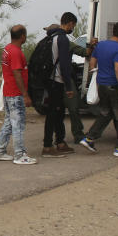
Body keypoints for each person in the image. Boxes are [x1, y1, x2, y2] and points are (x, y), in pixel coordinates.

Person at [80, 22, 118, 158]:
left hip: (101, 85)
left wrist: (96, 74)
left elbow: (92, 62)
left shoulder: (101, 45)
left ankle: (89, 139)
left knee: (106, 113)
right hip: (113, 86)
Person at [43, 12, 93, 157]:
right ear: (70, 23)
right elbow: (67, 64)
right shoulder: (63, 40)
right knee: (68, 109)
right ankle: (54, 143)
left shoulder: (49, 40)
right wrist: (69, 88)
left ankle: (59, 142)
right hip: (61, 81)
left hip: (51, 81)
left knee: (57, 113)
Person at [0, 25, 37, 165]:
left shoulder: (8, 48)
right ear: (22, 36)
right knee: (18, 124)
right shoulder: (16, 52)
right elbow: (17, 73)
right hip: (15, 93)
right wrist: (25, 95)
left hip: (8, 92)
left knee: (9, 123)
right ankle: (20, 155)